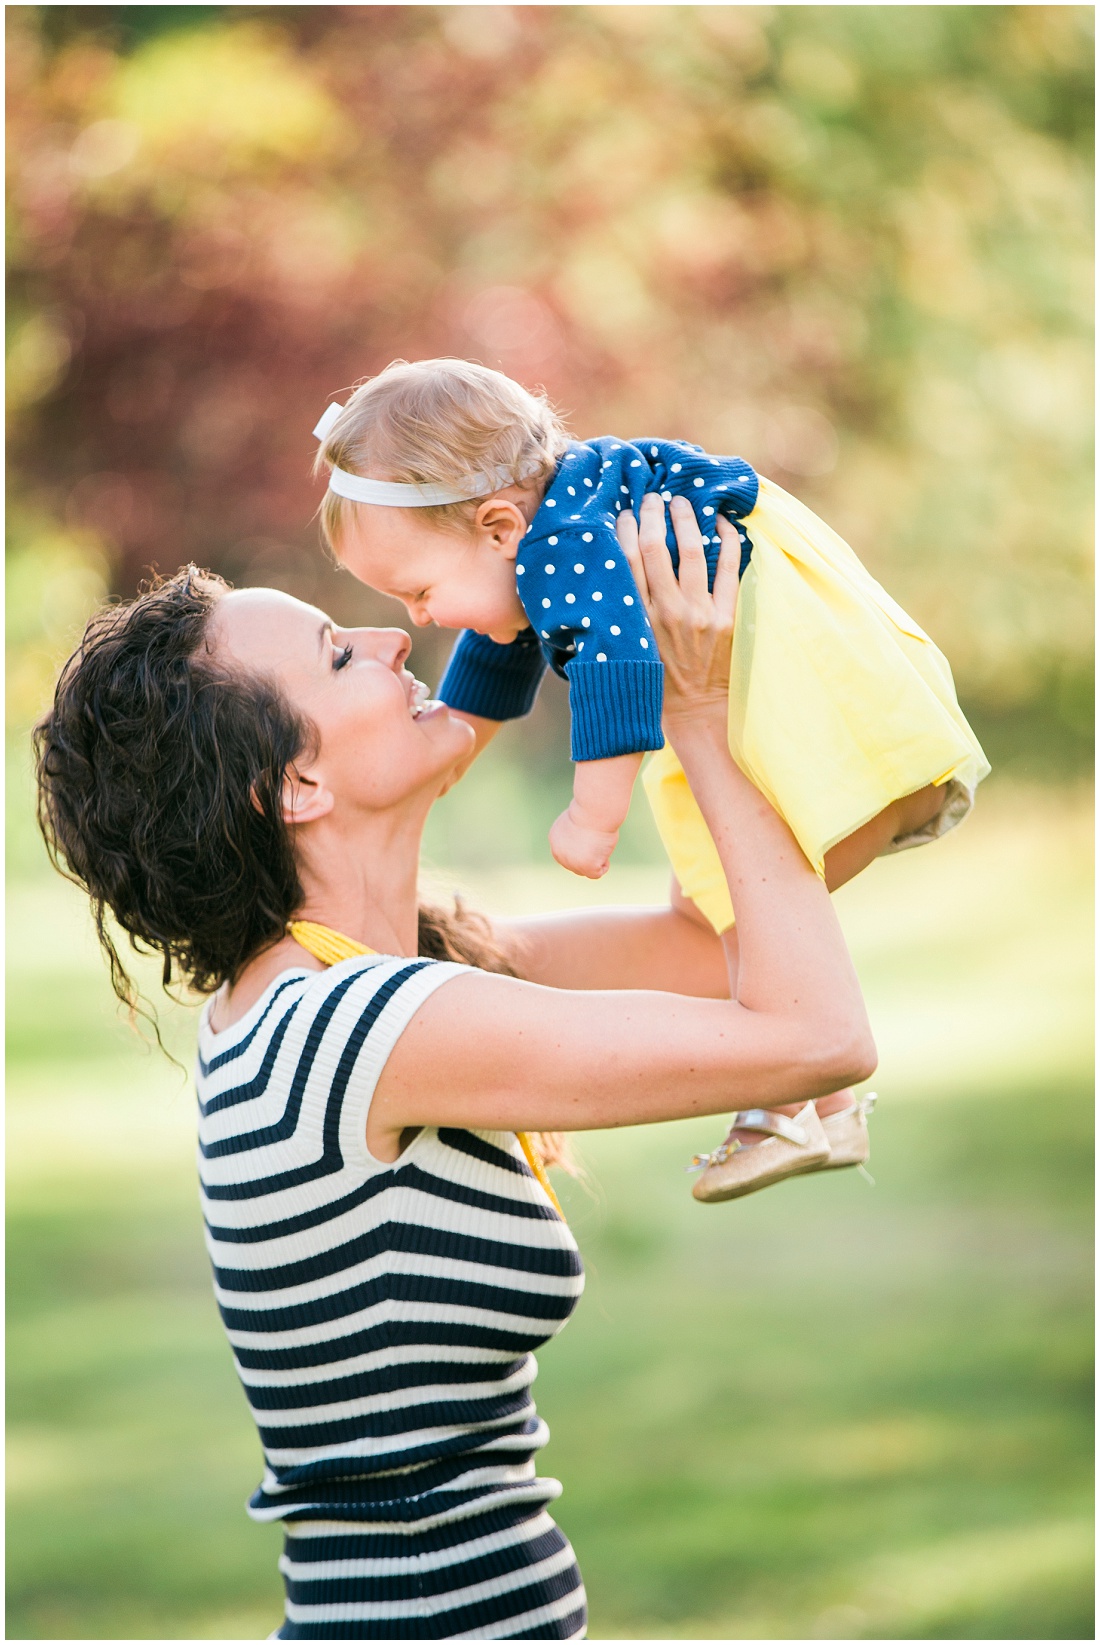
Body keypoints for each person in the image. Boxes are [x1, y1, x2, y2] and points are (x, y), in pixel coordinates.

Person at [35, 498, 874, 1639]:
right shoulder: (354, 1028)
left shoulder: (347, 987)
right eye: (339, 652)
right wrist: (702, 704)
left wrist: (555, 562)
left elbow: (705, 945)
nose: (389, 637)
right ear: (297, 788)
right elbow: (816, 1036)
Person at [312, 357, 988, 915]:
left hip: (795, 689)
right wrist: (450, 753)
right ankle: (813, 1072)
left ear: (500, 529)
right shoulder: (559, 525)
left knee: (732, 913)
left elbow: (614, 666)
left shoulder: (561, 543)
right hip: (797, 662)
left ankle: (812, 1068)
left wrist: (591, 817)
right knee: (722, 916)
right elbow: (499, 650)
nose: (418, 618)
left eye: (419, 592)